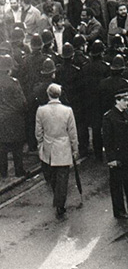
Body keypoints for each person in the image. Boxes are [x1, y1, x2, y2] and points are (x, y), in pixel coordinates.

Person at [35, 83, 79, 218]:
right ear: (59, 94)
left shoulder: (41, 110)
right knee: (63, 177)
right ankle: (60, 203)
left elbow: (38, 131)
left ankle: (58, 199)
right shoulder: (68, 110)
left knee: (52, 177)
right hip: (63, 146)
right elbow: (72, 132)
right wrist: (75, 148)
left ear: (48, 95)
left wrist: (40, 145)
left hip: (48, 147)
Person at [102, 88, 128, 219]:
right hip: (117, 154)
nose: (126, 103)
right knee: (116, 184)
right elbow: (107, 139)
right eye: (124, 100)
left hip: (127, 153)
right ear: (117, 101)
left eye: (127, 100)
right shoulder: (109, 117)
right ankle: (119, 210)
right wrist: (111, 158)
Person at [0, 55, 27, 178]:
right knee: (17, 147)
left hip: (1, 119)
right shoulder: (14, 83)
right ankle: (19, 171)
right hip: (14, 119)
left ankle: (3, 173)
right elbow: (22, 102)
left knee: (2, 148)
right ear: (9, 69)